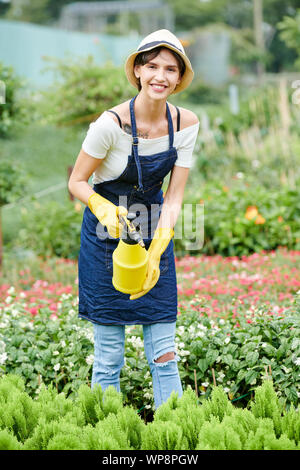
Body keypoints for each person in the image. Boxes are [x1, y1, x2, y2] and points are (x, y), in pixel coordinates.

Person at [68, 29, 199, 410]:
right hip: (105, 235)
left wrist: (157, 250)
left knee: (164, 352)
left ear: (178, 79)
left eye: (170, 69)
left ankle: (173, 431)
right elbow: (76, 181)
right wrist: (103, 208)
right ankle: (105, 434)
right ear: (139, 70)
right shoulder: (109, 125)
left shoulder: (186, 124)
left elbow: (174, 197)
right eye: (153, 65)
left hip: (155, 227)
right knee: (109, 354)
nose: (161, 75)